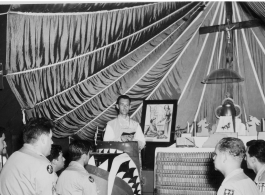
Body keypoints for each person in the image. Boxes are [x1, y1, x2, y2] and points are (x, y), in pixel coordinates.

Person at [0, 117, 56, 195]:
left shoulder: (13, 157)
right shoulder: (42, 164)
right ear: (43, 139)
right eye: (50, 138)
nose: (52, 142)